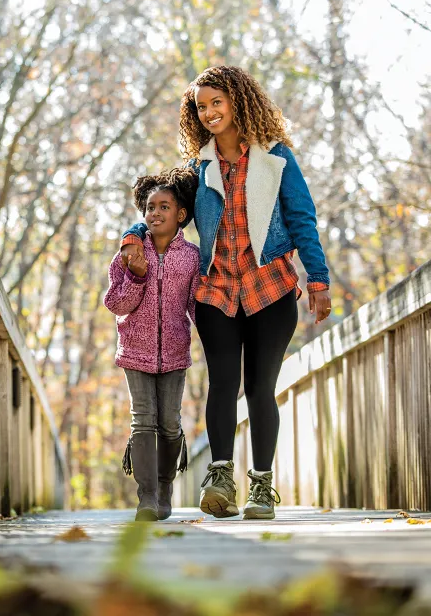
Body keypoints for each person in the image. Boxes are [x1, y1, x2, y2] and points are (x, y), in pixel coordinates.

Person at [121, 66, 331, 520]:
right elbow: (160, 206)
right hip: (215, 291)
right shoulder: (198, 167)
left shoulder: (277, 159)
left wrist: (318, 279)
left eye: (218, 102)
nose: (210, 112)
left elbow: (302, 220)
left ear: (238, 101)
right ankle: (220, 479)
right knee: (222, 383)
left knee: (260, 387)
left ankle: (261, 487)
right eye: (202, 106)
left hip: (270, 290)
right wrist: (132, 234)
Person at [104, 168, 200, 521]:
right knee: (142, 420)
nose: (155, 213)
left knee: (170, 424)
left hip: (175, 352)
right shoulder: (128, 253)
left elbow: (195, 305)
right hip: (134, 350)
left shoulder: (191, 257)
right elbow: (116, 304)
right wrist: (137, 276)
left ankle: (164, 489)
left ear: (181, 215)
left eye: (164, 206)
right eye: (149, 207)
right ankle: (147, 498)